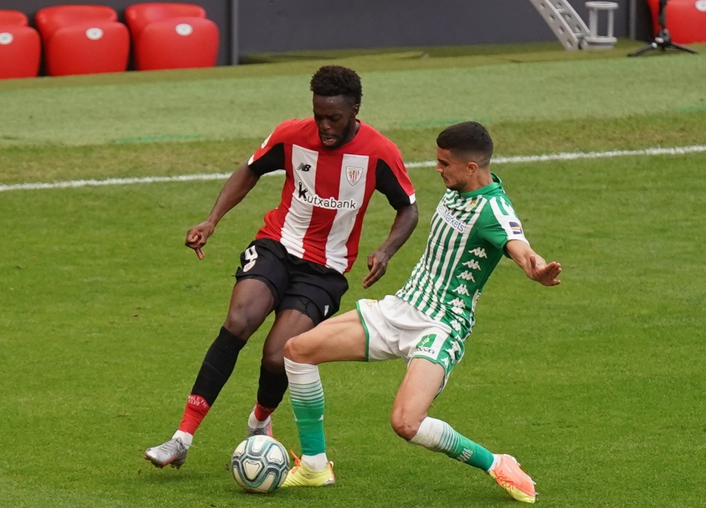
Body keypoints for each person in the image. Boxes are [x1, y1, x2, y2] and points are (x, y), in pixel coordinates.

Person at [144, 65, 419, 469]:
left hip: (324, 270)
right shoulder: (292, 134)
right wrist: (212, 219)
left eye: (334, 119)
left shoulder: (379, 152)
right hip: (277, 244)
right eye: (318, 115)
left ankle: (259, 422)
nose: (325, 126)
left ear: (355, 110)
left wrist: (387, 249)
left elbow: (408, 208)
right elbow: (251, 169)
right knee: (238, 321)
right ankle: (181, 438)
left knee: (279, 355)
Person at [280, 121, 561, 504]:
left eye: (444, 163)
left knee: (406, 423)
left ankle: (496, 463)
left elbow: (519, 245)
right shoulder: (458, 187)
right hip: (401, 307)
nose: (437, 168)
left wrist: (535, 268)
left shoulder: (495, 210)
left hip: (440, 326)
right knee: (297, 350)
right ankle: (314, 465)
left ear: (471, 168)